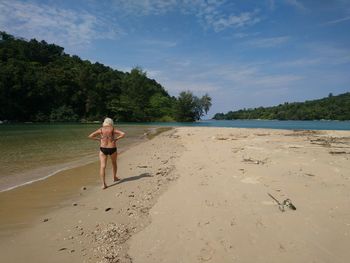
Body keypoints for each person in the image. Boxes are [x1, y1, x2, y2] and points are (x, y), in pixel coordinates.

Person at [88, 117, 125, 189]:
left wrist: (99, 139)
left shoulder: (101, 129)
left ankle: (103, 184)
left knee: (102, 166)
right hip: (112, 148)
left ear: (104, 123)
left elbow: (90, 136)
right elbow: (123, 134)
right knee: (114, 163)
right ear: (111, 123)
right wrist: (116, 139)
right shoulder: (112, 129)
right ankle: (114, 177)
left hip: (103, 149)